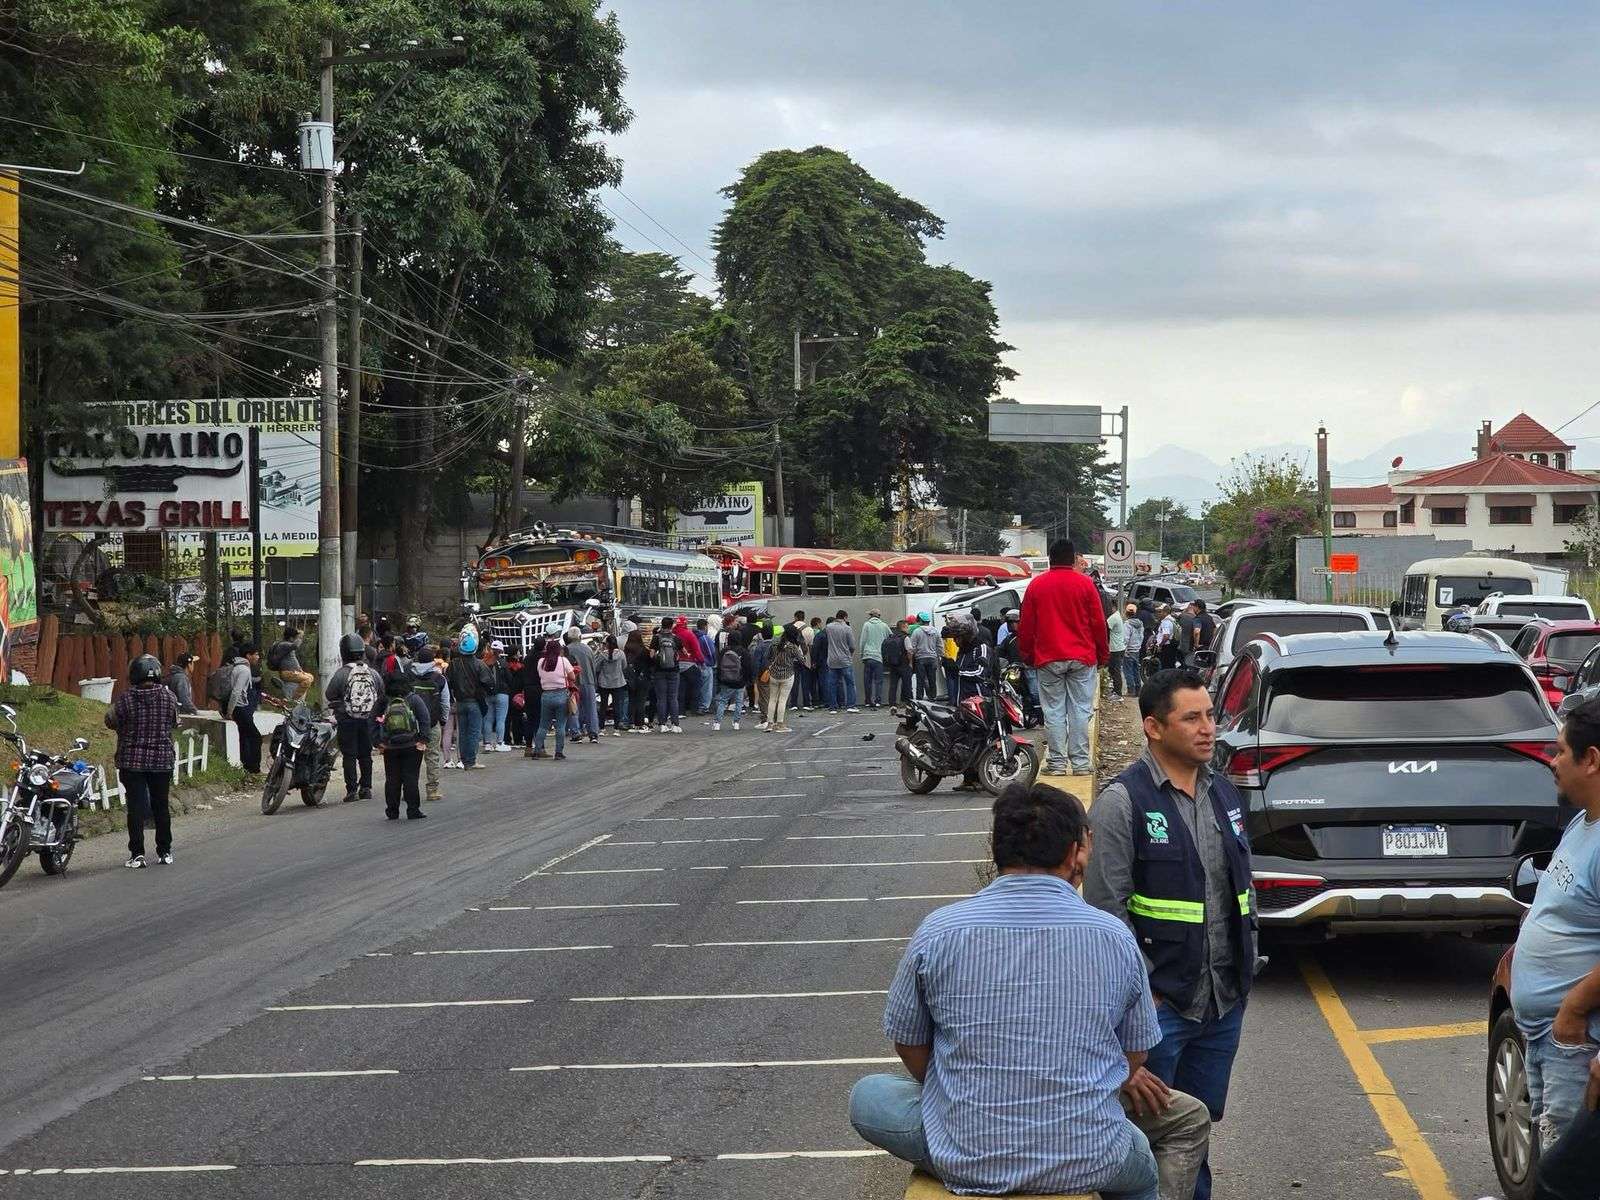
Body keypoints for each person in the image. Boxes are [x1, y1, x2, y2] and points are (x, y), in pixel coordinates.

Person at [849, 782, 1210, 1200]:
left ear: (996, 848)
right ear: (1076, 851)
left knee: (869, 1095)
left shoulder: (939, 930)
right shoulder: (1113, 936)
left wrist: (971, 1096)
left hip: (966, 1153)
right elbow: (1136, 1054)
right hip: (1088, 1155)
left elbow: (909, 1044)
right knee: (1143, 1171)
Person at [1085, 669, 1256, 1200]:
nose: (1209, 728)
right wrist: (1141, 999)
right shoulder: (1122, 804)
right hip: (1157, 1011)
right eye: (1193, 718)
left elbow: (1238, 893)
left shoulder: (1224, 794)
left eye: (1211, 715)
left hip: (1220, 1002)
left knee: (1196, 1128)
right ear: (1154, 728)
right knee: (1144, 1136)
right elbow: (1107, 915)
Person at [1511, 698, 1600, 1158]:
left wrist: (1572, 1009)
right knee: (1551, 1163)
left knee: (1569, 1172)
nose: (1552, 761)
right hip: (1549, 1036)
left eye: (1561, 751)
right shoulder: (1582, 824)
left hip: (1572, 1040)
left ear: (1592, 760)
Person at [1017, 539, 1110, 778]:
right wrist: (1102, 654)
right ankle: (1080, 764)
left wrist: (1027, 654)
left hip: (1048, 658)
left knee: (1054, 712)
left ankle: (1057, 764)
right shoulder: (1086, 584)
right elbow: (1098, 623)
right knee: (1080, 710)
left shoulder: (1037, 586)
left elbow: (1026, 626)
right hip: (1082, 657)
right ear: (1072, 560)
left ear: (1050, 559)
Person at [105, 654, 179, 868]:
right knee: (161, 806)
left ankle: (137, 854)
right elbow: (174, 722)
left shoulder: (125, 698)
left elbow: (110, 720)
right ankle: (165, 851)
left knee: (135, 808)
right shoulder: (169, 697)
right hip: (161, 760)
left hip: (132, 761)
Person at [326, 632, 383, 803]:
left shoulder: (341, 674)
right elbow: (381, 692)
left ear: (343, 652)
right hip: (368, 720)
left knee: (349, 755)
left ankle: (351, 790)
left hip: (346, 719)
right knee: (365, 754)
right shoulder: (373, 673)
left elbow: (330, 694)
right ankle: (366, 788)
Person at [377, 671, 430, 820]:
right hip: (412, 745)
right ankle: (413, 810)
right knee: (411, 778)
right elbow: (425, 718)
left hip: (390, 746)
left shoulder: (383, 701)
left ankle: (392, 811)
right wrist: (423, 740)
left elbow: (372, 720)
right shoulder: (414, 699)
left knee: (392, 779)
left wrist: (378, 742)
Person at [408, 646, 449, 802]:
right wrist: (443, 719)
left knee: (411, 758)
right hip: (432, 723)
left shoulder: (410, 676)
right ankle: (432, 790)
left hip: (412, 724)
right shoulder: (439, 679)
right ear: (433, 660)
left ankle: (409, 790)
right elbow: (445, 702)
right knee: (432, 756)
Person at [445, 640, 493, 769]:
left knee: (463, 732)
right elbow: (488, 683)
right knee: (473, 732)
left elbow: (447, 682)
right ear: (475, 649)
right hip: (475, 702)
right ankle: (471, 761)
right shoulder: (480, 665)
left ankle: (464, 760)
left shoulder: (453, 664)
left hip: (460, 701)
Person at [530, 635, 578, 759]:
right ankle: (558, 752)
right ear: (558, 650)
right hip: (561, 694)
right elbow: (572, 677)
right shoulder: (563, 661)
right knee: (560, 725)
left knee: (543, 725)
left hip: (546, 695)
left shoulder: (541, 662)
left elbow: (540, 676)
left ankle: (536, 751)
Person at [226, 642, 263, 774]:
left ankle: (247, 766)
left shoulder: (238, 667)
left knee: (245, 736)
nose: (258, 657)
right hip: (240, 708)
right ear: (248, 655)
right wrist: (230, 712)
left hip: (239, 707)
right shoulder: (244, 670)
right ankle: (254, 768)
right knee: (256, 737)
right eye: (256, 654)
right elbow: (236, 691)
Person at [563, 627, 602, 744]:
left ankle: (576, 732)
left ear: (569, 637)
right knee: (591, 708)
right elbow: (593, 666)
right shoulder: (588, 649)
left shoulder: (567, 650)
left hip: (573, 683)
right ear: (580, 636)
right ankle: (593, 734)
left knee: (574, 708)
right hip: (589, 681)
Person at [765, 625, 803, 732]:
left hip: (774, 674)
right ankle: (780, 724)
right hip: (787, 675)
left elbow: (768, 657)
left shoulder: (774, 644)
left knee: (772, 699)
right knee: (782, 700)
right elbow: (802, 660)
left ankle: (769, 724)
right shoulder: (793, 647)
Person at [711, 633, 751, 730]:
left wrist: (720, 679)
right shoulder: (743, 652)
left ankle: (717, 723)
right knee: (738, 702)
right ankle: (736, 723)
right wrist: (747, 680)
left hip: (726, 681)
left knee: (722, 701)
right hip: (740, 681)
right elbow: (748, 667)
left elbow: (719, 666)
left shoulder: (724, 651)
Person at [824, 611, 859, 714]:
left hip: (832, 660)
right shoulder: (847, 628)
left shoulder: (828, 627)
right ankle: (851, 705)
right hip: (845, 660)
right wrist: (849, 654)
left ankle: (833, 707)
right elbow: (852, 646)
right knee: (850, 683)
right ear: (845, 617)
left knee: (832, 684)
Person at [651, 621, 683, 733]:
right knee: (673, 698)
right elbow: (682, 653)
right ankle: (675, 724)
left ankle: (662, 724)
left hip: (659, 671)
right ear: (671, 626)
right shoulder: (676, 638)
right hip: (674, 671)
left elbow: (651, 655)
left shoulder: (656, 638)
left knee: (661, 698)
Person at [267, 625, 313, 701]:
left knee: (310, 677)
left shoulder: (287, 645)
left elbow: (292, 659)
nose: (296, 639)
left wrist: (299, 669)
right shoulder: (284, 645)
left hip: (293, 671)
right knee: (307, 680)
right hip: (288, 673)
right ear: (291, 638)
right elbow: (296, 645)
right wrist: (300, 636)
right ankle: (294, 699)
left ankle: (297, 698)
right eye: (295, 638)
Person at [484, 641, 514, 752]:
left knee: (488, 719)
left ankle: (487, 743)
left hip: (488, 694)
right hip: (502, 694)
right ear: (501, 651)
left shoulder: (485, 663)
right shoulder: (503, 663)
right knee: (501, 719)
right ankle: (499, 743)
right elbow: (509, 679)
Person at [596, 634, 629, 735]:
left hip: (604, 682)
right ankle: (616, 729)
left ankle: (601, 728)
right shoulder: (621, 654)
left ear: (606, 644)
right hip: (618, 682)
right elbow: (624, 666)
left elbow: (597, 667)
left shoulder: (602, 655)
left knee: (603, 706)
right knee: (617, 706)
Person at [623, 629, 652, 733]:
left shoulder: (626, 649)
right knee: (641, 701)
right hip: (643, 678)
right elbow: (650, 663)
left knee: (631, 700)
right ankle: (639, 723)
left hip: (630, 678)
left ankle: (630, 722)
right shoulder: (643, 650)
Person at [860, 608, 890, 709]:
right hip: (879, 657)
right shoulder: (884, 626)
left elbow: (863, 641)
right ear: (879, 616)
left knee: (867, 680)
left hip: (868, 656)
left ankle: (868, 701)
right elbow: (890, 637)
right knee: (878, 681)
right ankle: (878, 701)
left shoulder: (866, 625)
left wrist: (862, 654)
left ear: (871, 616)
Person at [909, 613, 942, 701]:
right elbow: (940, 646)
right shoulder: (935, 631)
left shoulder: (917, 632)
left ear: (920, 621)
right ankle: (933, 698)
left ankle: (919, 700)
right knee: (932, 680)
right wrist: (939, 657)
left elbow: (912, 647)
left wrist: (912, 658)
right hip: (932, 658)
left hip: (920, 659)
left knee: (920, 680)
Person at [882, 619, 912, 707]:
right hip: (904, 664)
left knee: (893, 685)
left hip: (893, 664)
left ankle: (892, 704)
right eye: (907, 627)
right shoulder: (905, 638)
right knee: (907, 684)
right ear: (903, 627)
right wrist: (910, 663)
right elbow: (909, 651)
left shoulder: (890, 637)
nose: (908, 629)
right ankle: (908, 703)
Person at [1122, 605, 1146, 696]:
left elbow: (1126, 638)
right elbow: (1142, 636)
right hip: (1137, 650)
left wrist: (1125, 650)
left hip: (1129, 650)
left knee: (1128, 670)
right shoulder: (1140, 623)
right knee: (1136, 670)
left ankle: (1131, 691)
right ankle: (1138, 690)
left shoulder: (1127, 624)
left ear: (1127, 613)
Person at [695, 617, 716, 714]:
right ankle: (704, 707)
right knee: (707, 687)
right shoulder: (704, 638)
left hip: (696, 664)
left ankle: (698, 705)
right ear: (705, 626)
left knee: (699, 686)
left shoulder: (694, 636)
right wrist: (714, 662)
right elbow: (711, 652)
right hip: (706, 664)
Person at [1108, 601, 1128, 699]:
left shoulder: (1114, 617)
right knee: (1113, 670)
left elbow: (1104, 627)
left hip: (1115, 648)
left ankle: (1118, 693)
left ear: (1113, 607)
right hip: (1118, 647)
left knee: (1115, 671)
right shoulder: (1117, 616)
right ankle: (1115, 690)